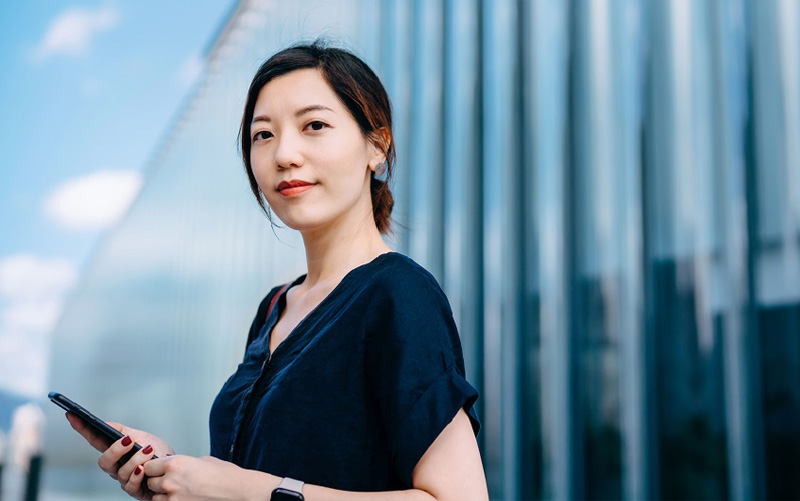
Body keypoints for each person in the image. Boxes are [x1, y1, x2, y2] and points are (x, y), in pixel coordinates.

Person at [67, 40, 488, 500]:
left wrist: (251, 490)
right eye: (263, 134)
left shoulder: (397, 294)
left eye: (314, 125)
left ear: (377, 147)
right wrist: (175, 476)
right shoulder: (275, 305)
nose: (284, 154)